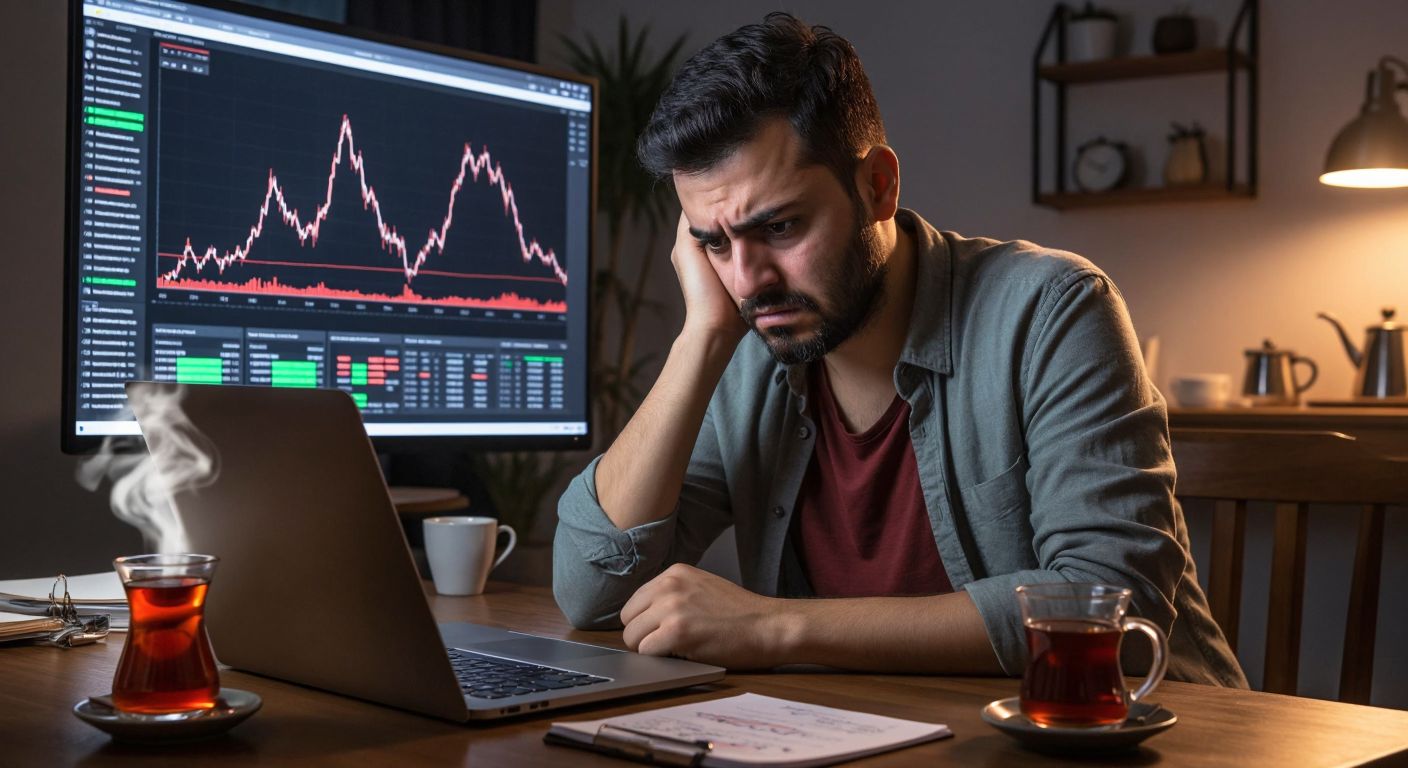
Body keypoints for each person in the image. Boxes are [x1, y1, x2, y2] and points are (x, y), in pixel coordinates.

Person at [553, 12, 1245, 687]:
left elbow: (1110, 604)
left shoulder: (1052, 309)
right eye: (715, 243)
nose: (746, 281)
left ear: (878, 186)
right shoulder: (747, 345)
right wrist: (701, 337)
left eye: (781, 227)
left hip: (1141, 733)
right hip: (877, 735)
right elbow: (591, 591)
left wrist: (774, 627)